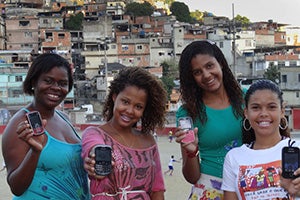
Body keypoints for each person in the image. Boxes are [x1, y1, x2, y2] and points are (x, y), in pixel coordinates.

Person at [1, 53, 90, 199]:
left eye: (62, 83)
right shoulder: (20, 124)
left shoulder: (64, 118)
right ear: (33, 82)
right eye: (48, 81)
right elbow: (16, 187)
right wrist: (35, 152)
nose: (56, 88)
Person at [81, 67, 167, 199]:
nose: (130, 110)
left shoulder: (149, 141)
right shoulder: (95, 134)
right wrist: (94, 160)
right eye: (125, 102)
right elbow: (93, 148)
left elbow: (157, 190)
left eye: (138, 106)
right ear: (115, 97)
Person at [174, 40, 245, 199]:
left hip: (251, 185)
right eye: (197, 72)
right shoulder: (188, 112)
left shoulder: (247, 98)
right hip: (211, 189)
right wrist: (192, 152)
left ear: (220, 63)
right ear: (191, 78)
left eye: (209, 66)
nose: (206, 75)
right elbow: (191, 177)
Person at [222, 79, 300, 199]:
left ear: (282, 111)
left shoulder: (297, 148)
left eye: (271, 107)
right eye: (256, 107)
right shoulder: (233, 157)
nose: (264, 113)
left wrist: (296, 192)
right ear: (246, 113)